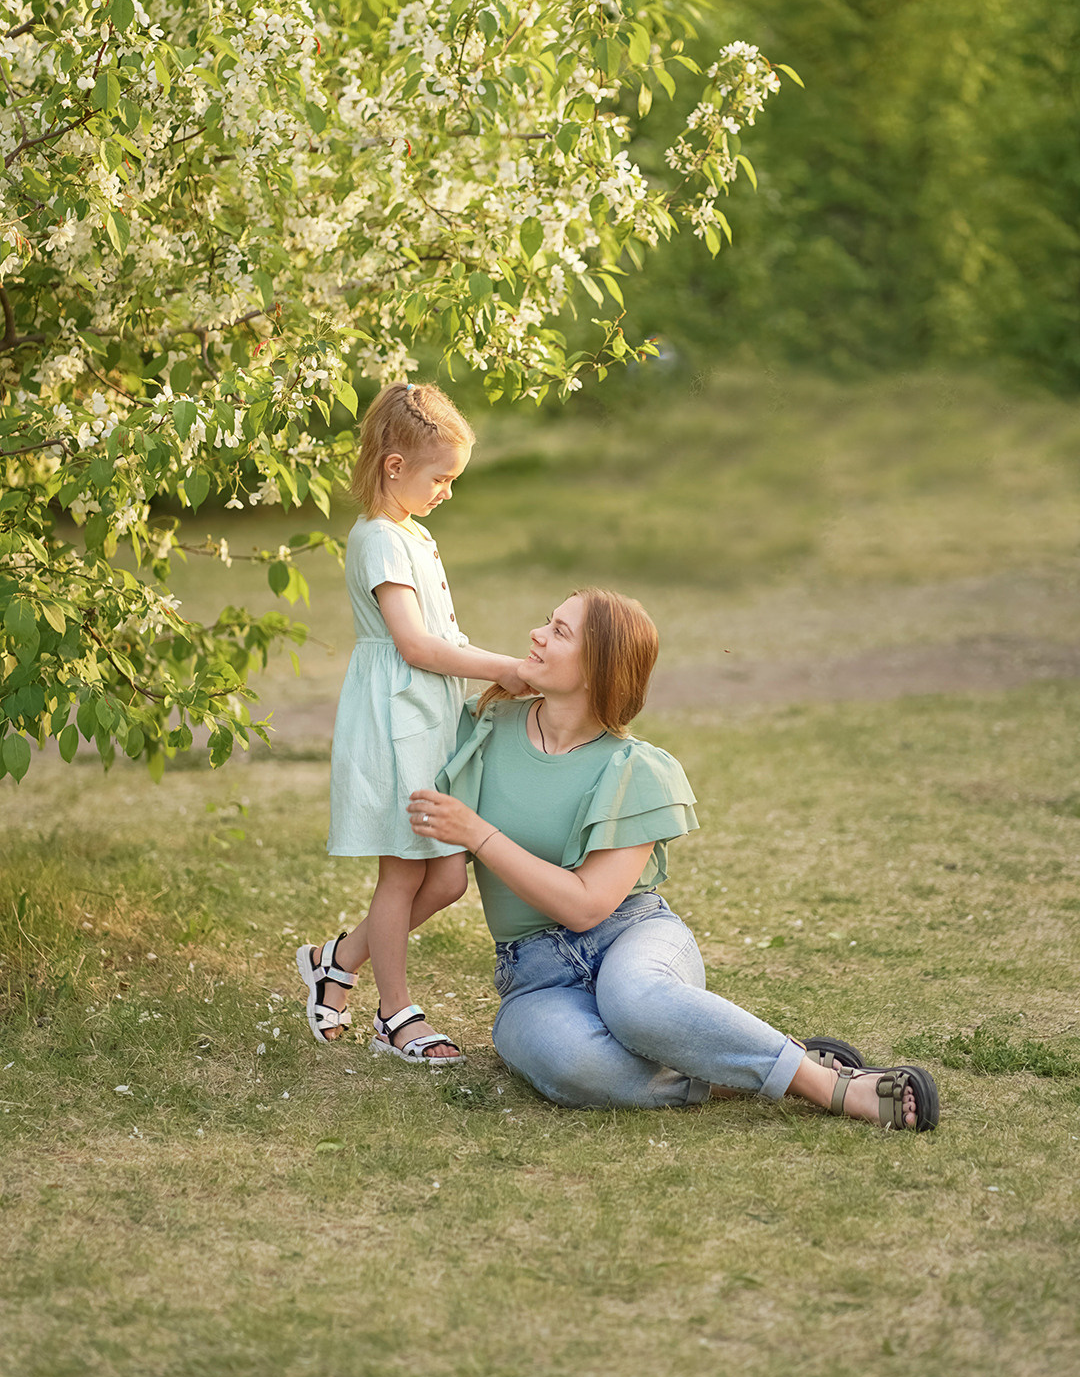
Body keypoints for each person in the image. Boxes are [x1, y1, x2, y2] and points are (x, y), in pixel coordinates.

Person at [406, 588, 940, 1130]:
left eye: (560, 632)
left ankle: (825, 1084)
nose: (536, 635)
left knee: (635, 1003)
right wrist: (352, 955)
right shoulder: (486, 729)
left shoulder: (636, 769)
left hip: (630, 935)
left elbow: (587, 907)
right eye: (548, 622)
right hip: (533, 973)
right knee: (571, 1062)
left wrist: (478, 833)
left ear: (598, 668)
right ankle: (728, 1072)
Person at [296, 381, 531, 1061]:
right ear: (394, 467)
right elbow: (415, 645)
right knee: (401, 875)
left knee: (448, 877)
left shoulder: (412, 533)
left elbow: (439, 635)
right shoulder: (376, 539)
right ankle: (394, 1014)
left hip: (432, 718)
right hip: (396, 721)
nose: (447, 492)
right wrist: (503, 666)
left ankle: (336, 958)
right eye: (441, 477)